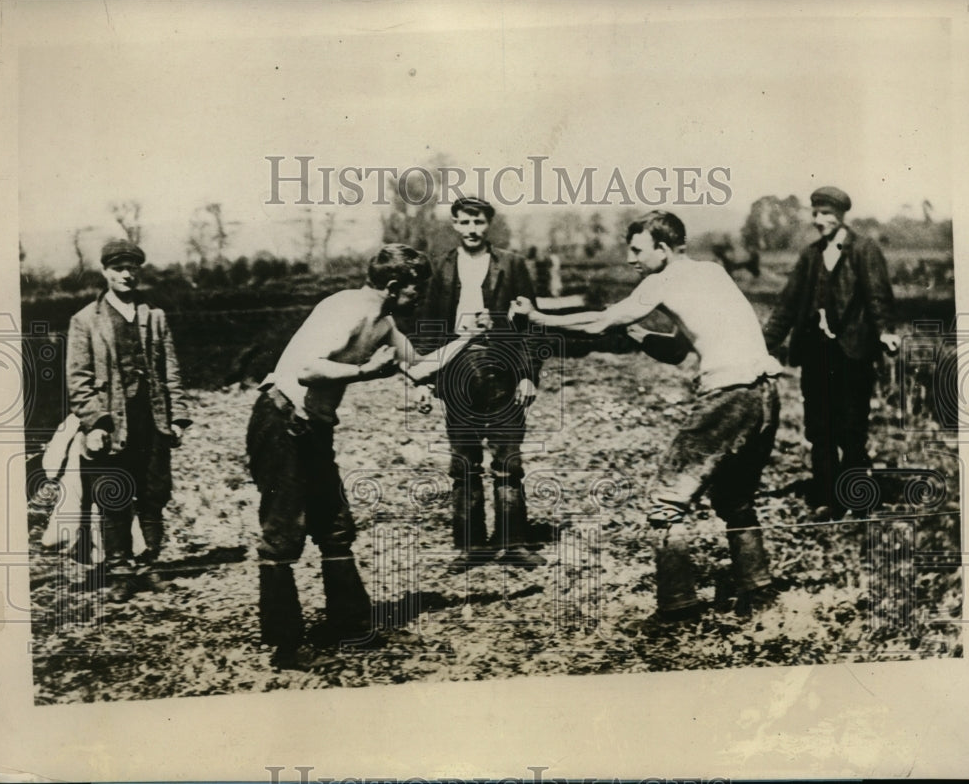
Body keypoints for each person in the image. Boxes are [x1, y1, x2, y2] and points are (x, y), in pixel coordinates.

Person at [511, 210, 784, 618]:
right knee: (735, 499)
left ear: (662, 248)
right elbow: (676, 350)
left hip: (728, 395)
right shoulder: (713, 272)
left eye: (637, 249)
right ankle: (759, 590)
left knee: (665, 503)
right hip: (765, 393)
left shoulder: (663, 278)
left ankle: (678, 607)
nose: (629, 259)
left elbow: (600, 321)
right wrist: (635, 331)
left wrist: (539, 318)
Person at [247, 243, 481, 669]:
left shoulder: (384, 322)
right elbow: (307, 370)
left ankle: (351, 625)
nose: (419, 298)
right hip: (281, 420)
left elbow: (420, 367)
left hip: (313, 427)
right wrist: (365, 372)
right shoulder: (348, 309)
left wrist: (468, 339)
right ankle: (285, 646)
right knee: (283, 533)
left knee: (335, 526)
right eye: (415, 290)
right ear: (393, 286)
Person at [415, 196, 546, 572]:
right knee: (464, 462)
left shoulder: (513, 264)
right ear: (454, 225)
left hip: (504, 369)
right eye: (463, 223)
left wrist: (527, 374)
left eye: (477, 223)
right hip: (456, 370)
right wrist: (424, 380)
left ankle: (513, 542)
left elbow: (530, 325)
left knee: (508, 459)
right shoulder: (440, 269)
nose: (471, 230)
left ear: (489, 224)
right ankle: (470, 545)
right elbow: (428, 328)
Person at [762, 186, 899, 519]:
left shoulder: (863, 250)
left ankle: (857, 499)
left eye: (825, 213)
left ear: (840, 216)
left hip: (853, 353)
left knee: (851, 428)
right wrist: (761, 345)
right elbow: (787, 305)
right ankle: (827, 499)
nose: (818, 220)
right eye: (815, 213)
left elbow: (877, 295)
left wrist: (884, 332)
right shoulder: (810, 256)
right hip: (816, 354)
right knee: (819, 429)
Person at [66, 239, 191, 602]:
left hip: (152, 422)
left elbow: (172, 372)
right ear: (105, 272)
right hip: (111, 426)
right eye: (118, 268)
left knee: (153, 494)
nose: (126, 274)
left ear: (140, 271)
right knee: (114, 495)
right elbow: (78, 380)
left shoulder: (155, 317)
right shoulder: (85, 321)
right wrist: (95, 424)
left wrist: (179, 416)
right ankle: (120, 571)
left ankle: (149, 564)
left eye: (132, 268)